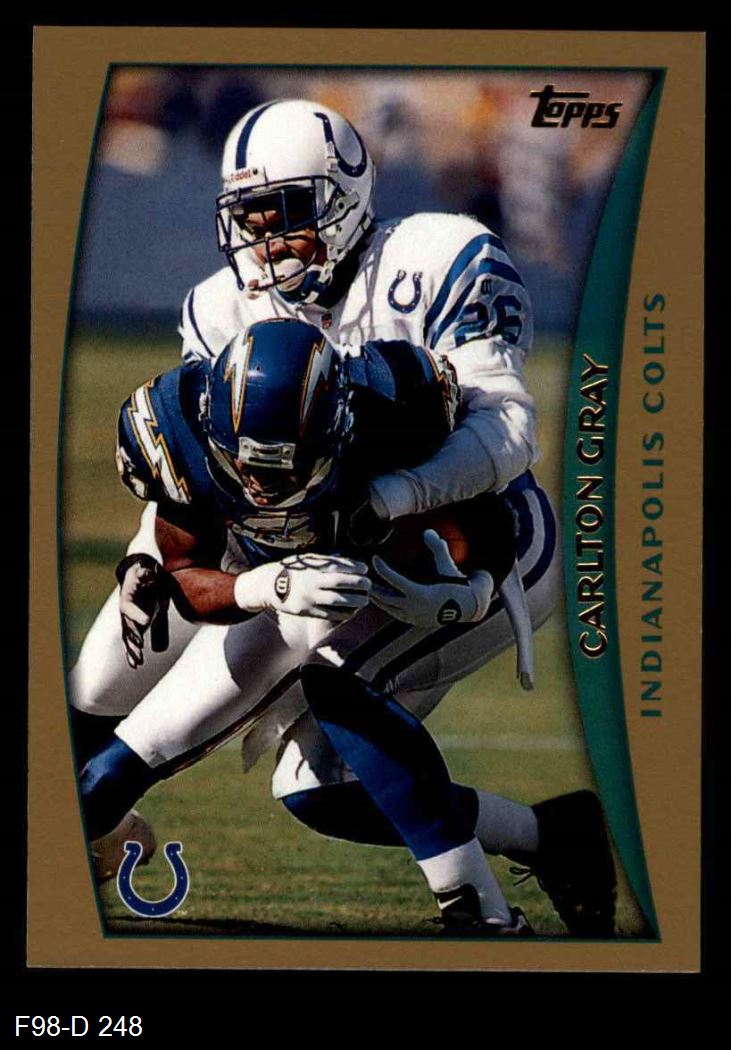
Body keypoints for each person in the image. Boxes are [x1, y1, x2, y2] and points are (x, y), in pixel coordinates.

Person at [69, 99, 614, 935]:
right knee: (294, 781)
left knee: (330, 689)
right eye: (249, 219)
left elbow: (506, 431)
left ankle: (478, 915)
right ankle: (555, 837)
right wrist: (155, 561)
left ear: (343, 193)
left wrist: (386, 503)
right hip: (314, 549)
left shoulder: (434, 257)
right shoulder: (218, 310)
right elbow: (209, 477)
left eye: (284, 214)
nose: (265, 241)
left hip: (470, 539)